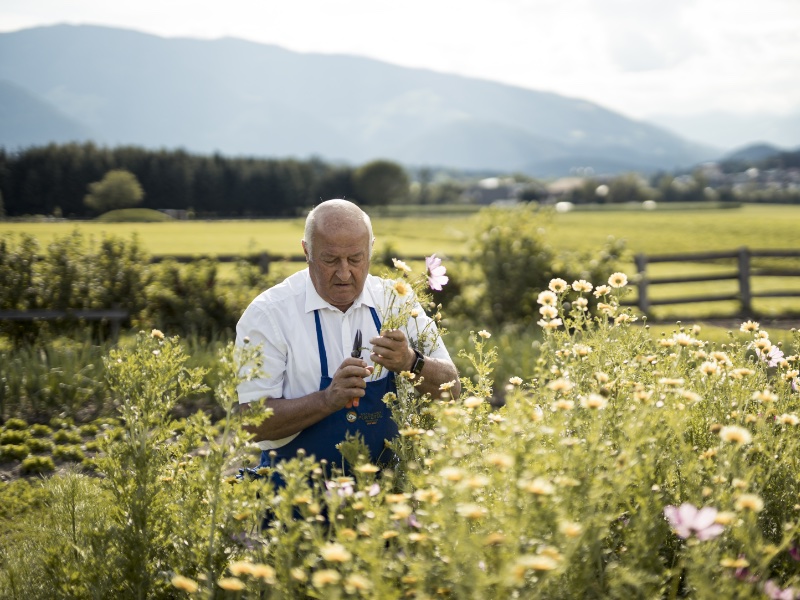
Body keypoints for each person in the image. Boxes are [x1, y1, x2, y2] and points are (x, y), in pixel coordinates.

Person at [235, 199, 460, 475]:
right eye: (330, 260)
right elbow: (251, 423)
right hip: (294, 497)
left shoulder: (396, 302)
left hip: (385, 496)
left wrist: (411, 362)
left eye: (355, 259)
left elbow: (453, 390)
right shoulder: (269, 315)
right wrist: (327, 400)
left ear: (371, 249)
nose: (344, 273)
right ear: (307, 251)